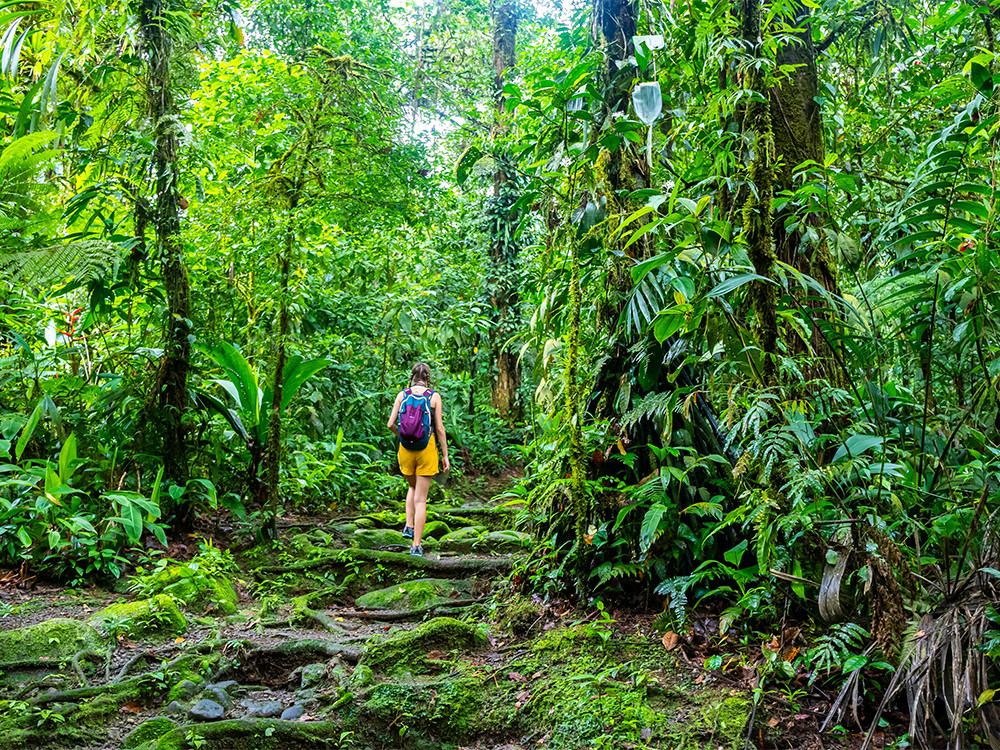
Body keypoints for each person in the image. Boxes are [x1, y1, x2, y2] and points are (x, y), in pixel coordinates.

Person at [387, 362, 450, 556]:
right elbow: (439, 428)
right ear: (428, 378)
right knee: (421, 500)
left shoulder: (402, 395)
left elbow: (390, 424)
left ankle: (408, 525)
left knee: (412, 487)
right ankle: (416, 545)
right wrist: (445, 455)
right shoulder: (434, 397)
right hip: (427, 449)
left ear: (412, 376)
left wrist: (403, 436)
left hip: (405, 450)